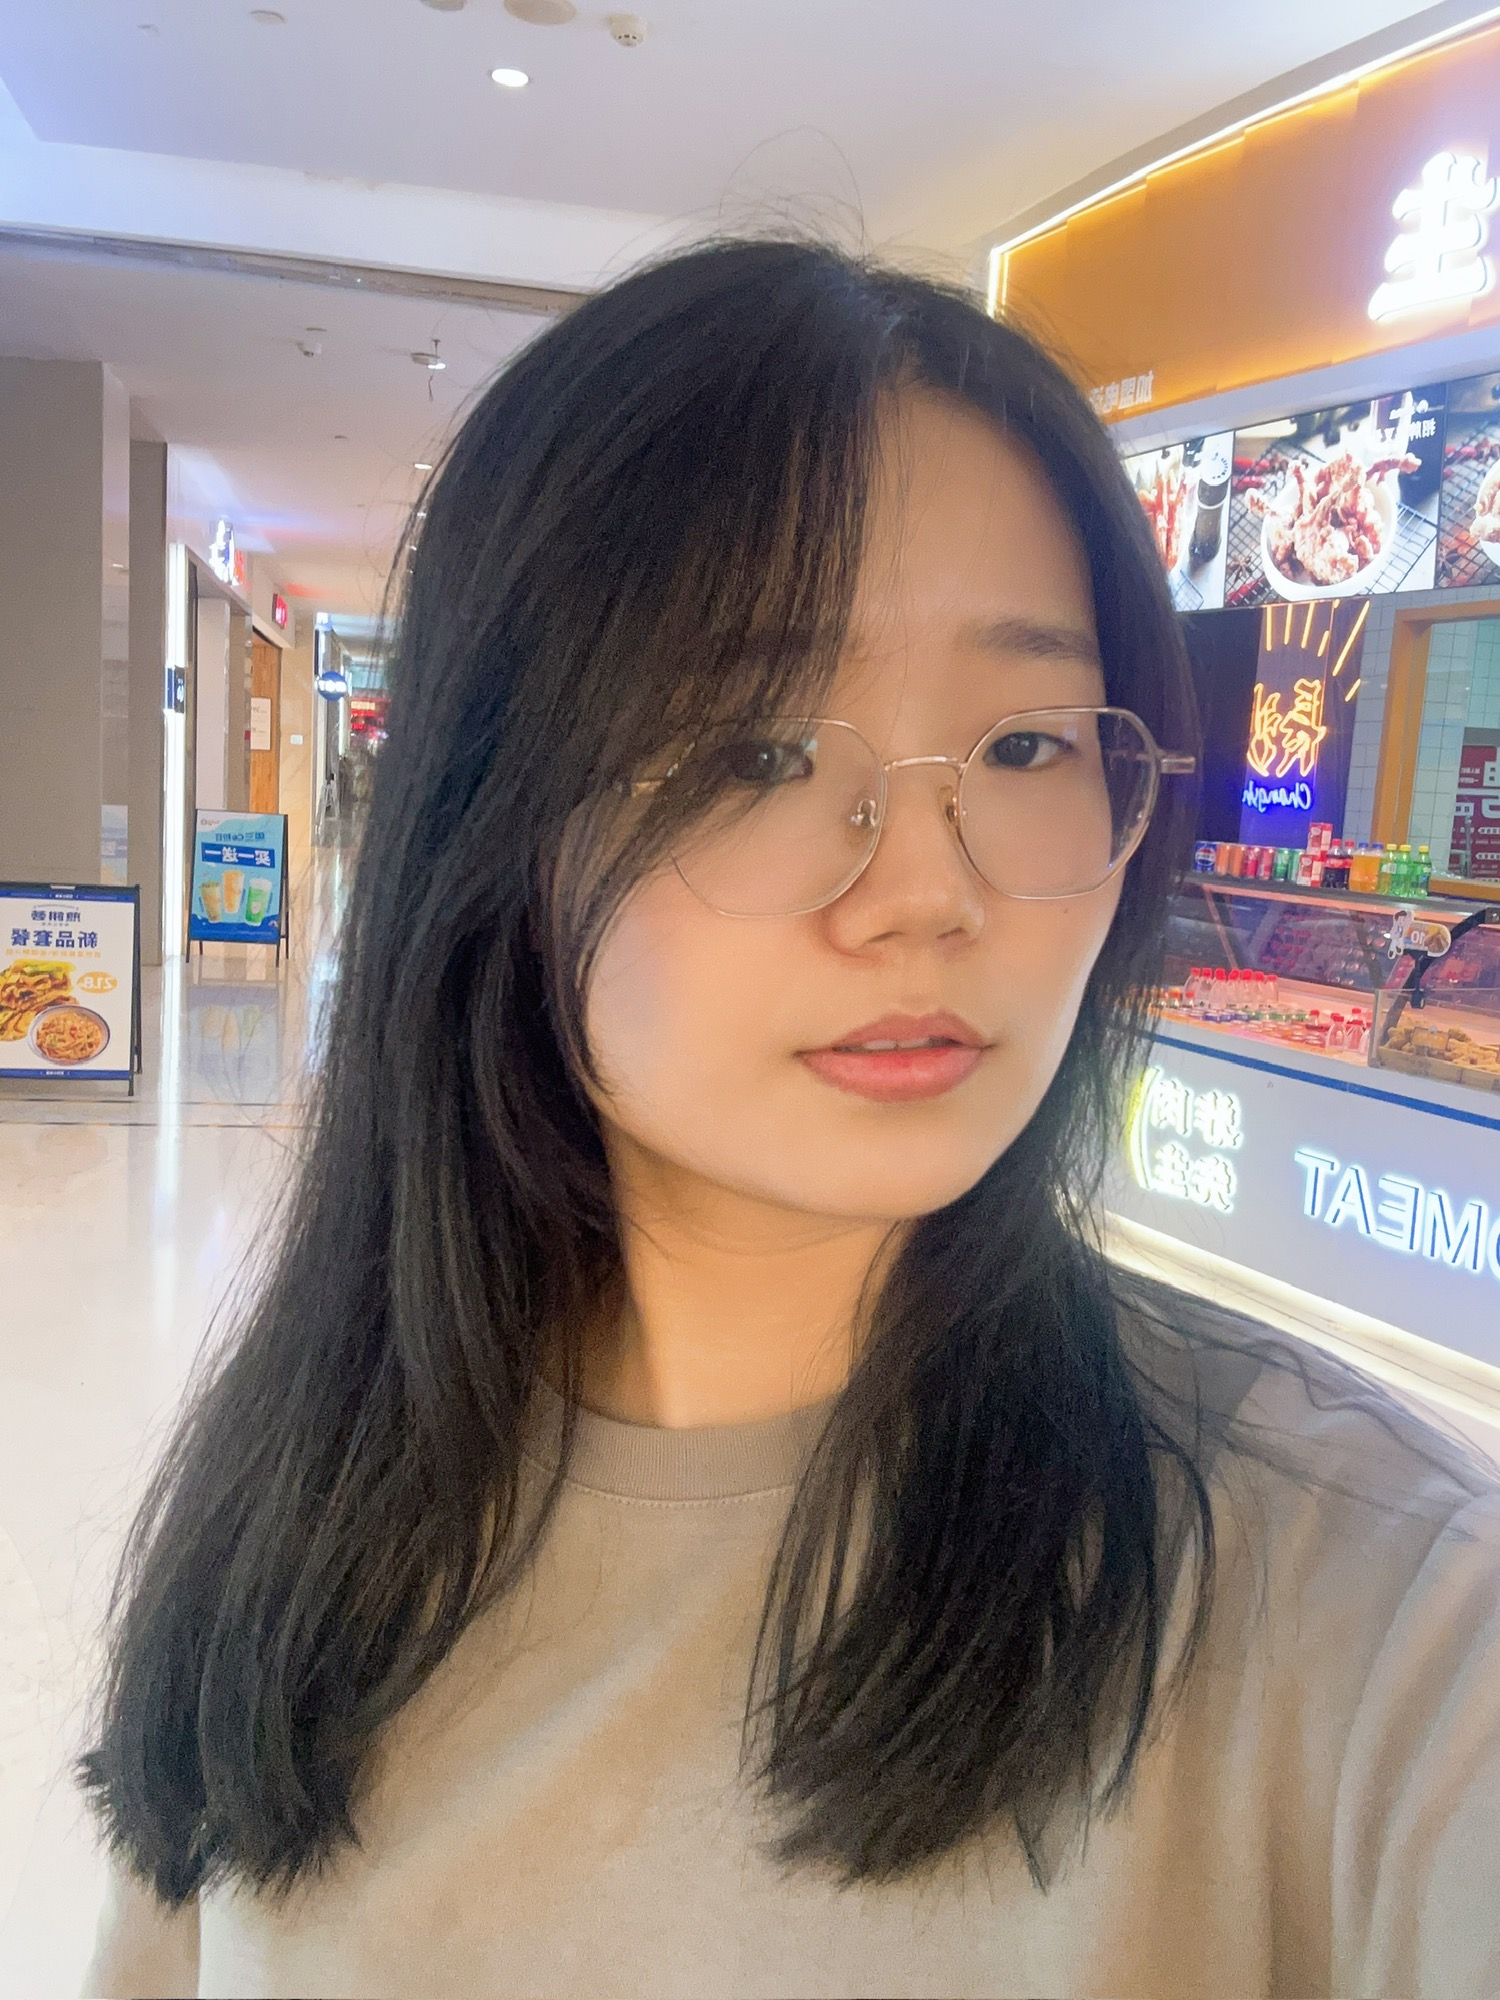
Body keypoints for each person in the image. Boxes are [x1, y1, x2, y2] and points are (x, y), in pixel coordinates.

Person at [80, 241, 1499, 1999]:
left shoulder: (1391, 1626)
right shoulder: (315, 1509)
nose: (929, 893)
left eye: (1028, 745)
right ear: (496, 822)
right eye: (756, 752)